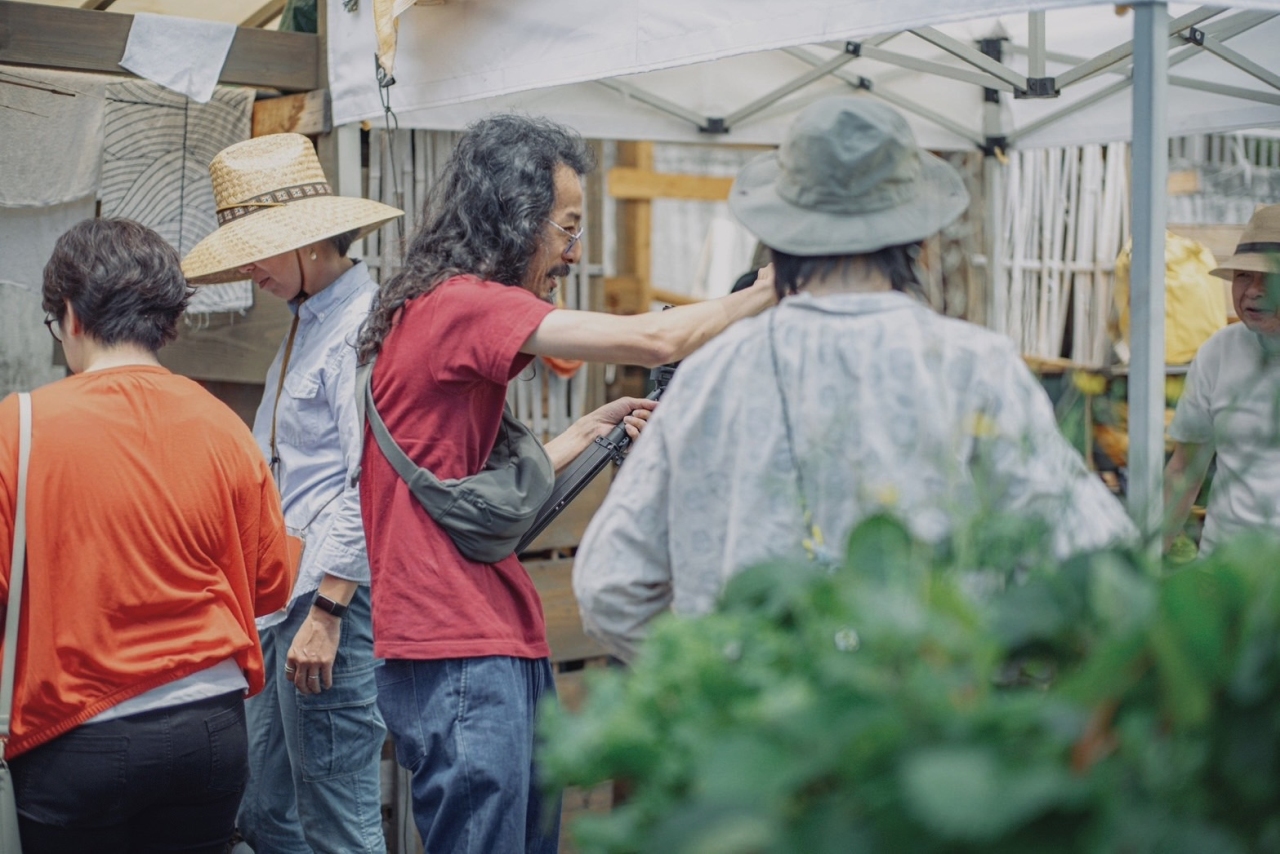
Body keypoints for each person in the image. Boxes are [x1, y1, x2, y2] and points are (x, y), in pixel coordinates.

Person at [573, 97, 1136, 663]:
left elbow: (609, 587)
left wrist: (714, 680)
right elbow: (1098, 563)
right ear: (916, 239)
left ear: (780, 235)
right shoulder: (972, 365)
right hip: (925, 724)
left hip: (748, 731)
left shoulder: (709, 374)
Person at [354, 113, 776, 852]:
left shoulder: (438, 312)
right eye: (566, 229)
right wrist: (776, 285)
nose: (571, 255)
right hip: (455, 650)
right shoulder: (460, 305)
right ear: (513, 220)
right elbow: (657, 338)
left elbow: (466, 481)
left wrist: (591, 427)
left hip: (489, 641)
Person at [0, 218, 294, 853]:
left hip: (74, 733)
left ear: (71, 316)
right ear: (168, 322)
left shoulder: (18, 428)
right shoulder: (223, 426)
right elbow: (272, 583)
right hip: (212, 733)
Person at [182, 134, 403, 854]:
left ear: (310, 243)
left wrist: (331, 609)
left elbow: (368, 478)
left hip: (332, 598)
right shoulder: (312, 324)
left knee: (338, 818)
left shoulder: (357, 331)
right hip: (288, 594)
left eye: (260, 249)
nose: (251, 268)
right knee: (264, 808)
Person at [1164, 204, 1280, 555]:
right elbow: (1183, 470)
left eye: (1269, 277)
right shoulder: (1218, 353)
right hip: (1223, 571)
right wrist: (1149, 559)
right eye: (1244, 275)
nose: (1253, 291)